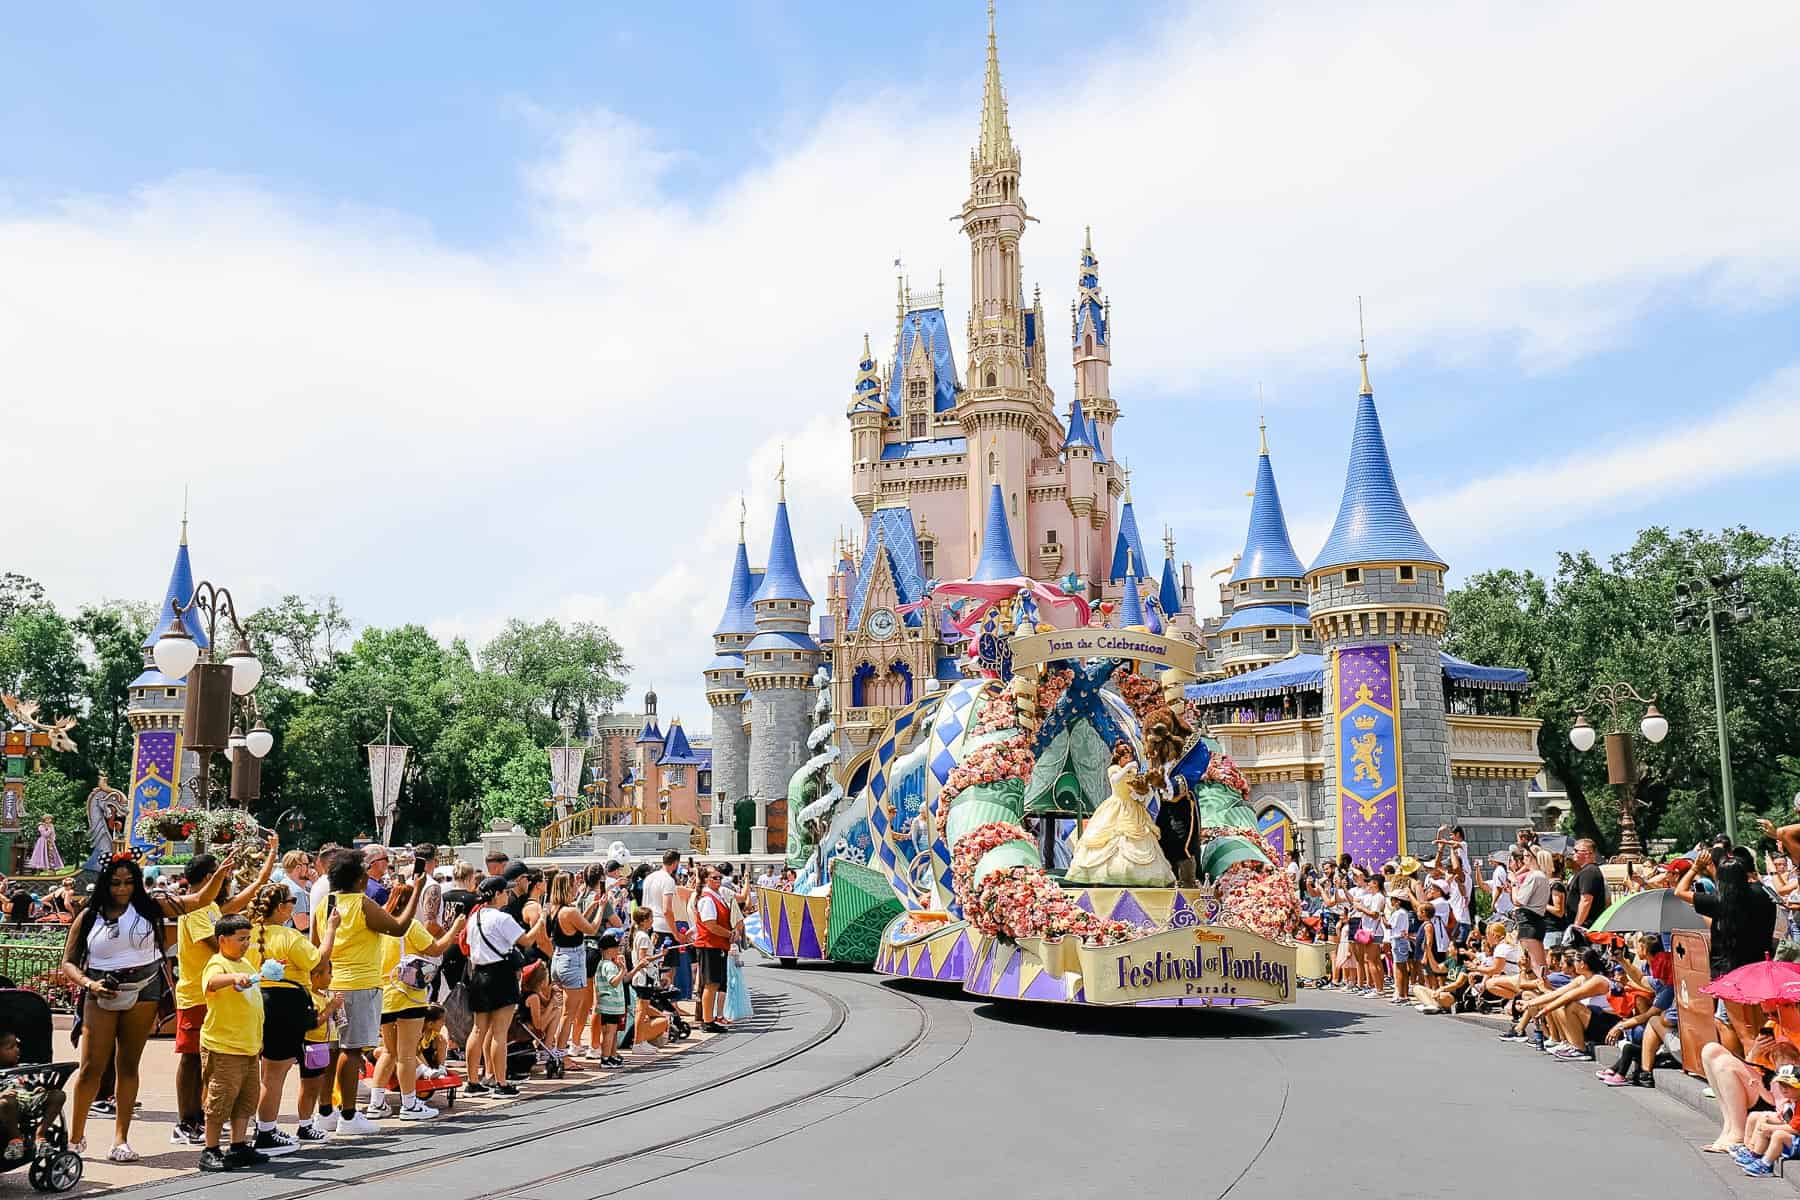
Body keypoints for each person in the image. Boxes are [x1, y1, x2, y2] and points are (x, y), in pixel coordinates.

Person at [59, 851, 241, 1161]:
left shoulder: (150, 908)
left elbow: (196, 901)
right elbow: (68, 962)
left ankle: (121, 1140)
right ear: (106, 883)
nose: (122, 888)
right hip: (101, 991)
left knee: (128, 1065)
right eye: (116, 882)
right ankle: (75, 1137)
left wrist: (220, 876)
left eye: (129, 882)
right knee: (91, 1067)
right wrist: (90, 984)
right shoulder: (89, 915)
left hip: (145, 990)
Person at [173, 841, 279, 1148]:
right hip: (196, 992)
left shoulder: (210, 908)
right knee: (192, 1059)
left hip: (215, 995)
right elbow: (218, 944)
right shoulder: (194, 909)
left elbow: (251, 891)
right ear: (209, 877)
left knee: (209, 1062)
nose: (227, 879)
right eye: (221, 874)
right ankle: (185, 1121)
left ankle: (203, 1118)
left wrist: (270, 857)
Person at [315, 850, 422, 1136]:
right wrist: (417, 892)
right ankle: (349, 1116)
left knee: (332, 1049)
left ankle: (326, 1111)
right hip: (360, 985)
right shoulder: (361, 903)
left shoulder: (326, 903)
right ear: (361, 878)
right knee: (351, 1052)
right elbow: (398, 927)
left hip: (332, 984)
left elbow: (317, 946)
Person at [243, 882, 338, 1156]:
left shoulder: (250, 934)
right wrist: (330, 929)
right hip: (286, 1004)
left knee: (267, 1072)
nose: (294, 907)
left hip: (259, 1000)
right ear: (282, 907)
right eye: (292, 902)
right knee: (274, 1074)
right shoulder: (288, 936)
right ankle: (266, 1131)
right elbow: (317, 960)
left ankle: (265, 1127)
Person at [368, 883, 464, 1122]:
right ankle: (409, 1104)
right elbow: (437, 947)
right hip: (408, 996)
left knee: (389, 1052)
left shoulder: (380, 928)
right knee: (407, 1054)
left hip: (385, 995)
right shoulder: (410, 926)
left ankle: (376, 1102)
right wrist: (455, 928)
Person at [1677, 849, 1778, 1056]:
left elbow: (1679, 891)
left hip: (1731, 973)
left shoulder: (1718, 902)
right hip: (1760, 969)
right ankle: (1768, 1075)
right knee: (1763, 1032)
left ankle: (1751, 1077)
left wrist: (1696, 867)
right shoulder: (1762, 894)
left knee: (1743, 1033)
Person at [197, 914, 269, 1172]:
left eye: (248, 938)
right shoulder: (217, 963)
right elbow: (211, 983)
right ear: (222, 940)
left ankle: (238, 1145)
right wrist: (233, 978)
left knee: (246, 1099)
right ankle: (210, 1149)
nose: (246, 944)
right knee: (220, 1100)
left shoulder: (246, 964)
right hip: (224, 1045)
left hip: (248, 1045)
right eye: (240, 939)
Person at [464, 876, 545, 1098]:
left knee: (478, 1029)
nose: (508, 895)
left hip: (479, 973)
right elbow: (526, 941)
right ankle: (500, 1081)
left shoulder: (475, 918)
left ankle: (472, 1081)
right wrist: (540, 922)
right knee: (499, 1031)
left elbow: (471, 947)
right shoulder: (502, 918)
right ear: (498, 894)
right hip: (500, 974)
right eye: (505, 892)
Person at [545, 873, 603, 1063]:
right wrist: (601, 909)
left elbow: (577, 925)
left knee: (561, 1011)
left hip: (558, 958)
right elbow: (591, 929)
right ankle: (562, 1055)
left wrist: (592, 907)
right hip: (573, 960)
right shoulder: (569, 911)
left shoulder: (554, 909)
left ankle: (555, 1051)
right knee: (569, 1013)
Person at [293, 959, 343, 1144]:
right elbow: (313, 1023)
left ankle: (307, 1123)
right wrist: (331, 1007)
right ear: (316, 975)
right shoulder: (310, 997)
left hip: (321, 1045)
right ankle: (304, 1125)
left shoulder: (321, 995)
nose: (331, 977)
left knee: (316, 1085)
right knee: (309, 1086)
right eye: (329, 973)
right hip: (311, 1045)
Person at [0, 1031, 64, 1160]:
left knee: (58, 1095)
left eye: (17, 1046)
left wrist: (39, 1088)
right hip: (9, 1108)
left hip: (30, 1101)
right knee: (5, 1101)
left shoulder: (26, 1068)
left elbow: (36, 1082)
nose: (17, 1050)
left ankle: (40, 1135)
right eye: (10, 1048)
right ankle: (16, 1139)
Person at [693, 868, 734, 1031]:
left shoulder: (715, 896)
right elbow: (710, 925)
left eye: (719, 877)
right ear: (706, 880)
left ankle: (708, 1018)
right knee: (711, 983)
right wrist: (728, 934)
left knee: (714, 983)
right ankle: (707, 1020)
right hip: (709, 945)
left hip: (716, 944)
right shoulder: (707, 899)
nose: (718, 879)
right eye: (714, 877)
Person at [1513, 848, 1554, 978]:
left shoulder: (1535, 876)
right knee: (1536, 963)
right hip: (1533, 921)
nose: (1523, 859)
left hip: (1529, 921)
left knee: (1536, 964)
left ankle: (1546, 992)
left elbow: (1518, 901)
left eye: (1525, 856)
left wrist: (1514, 883)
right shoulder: (1541, 876)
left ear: (1532, 857)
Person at [592, 933, 627, 1066]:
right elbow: (613, 982)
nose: (617, 950)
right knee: (610, 1032)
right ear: (609, 949)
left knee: (609, 1031)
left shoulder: (602, 964)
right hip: (611, 1005)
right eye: (616, 948)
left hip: (606, 1004)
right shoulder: (609, 965)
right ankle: (606, 1058)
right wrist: (622, 970)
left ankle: (611, 1055)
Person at [1567, 839, 1610, 934]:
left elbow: (1586, 900)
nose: (1573, 853)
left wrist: (1577, 926)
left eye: (1576, 850)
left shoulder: (1589, 872)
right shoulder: (1586, 871)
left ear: (1588, 853)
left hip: (1585, 927)